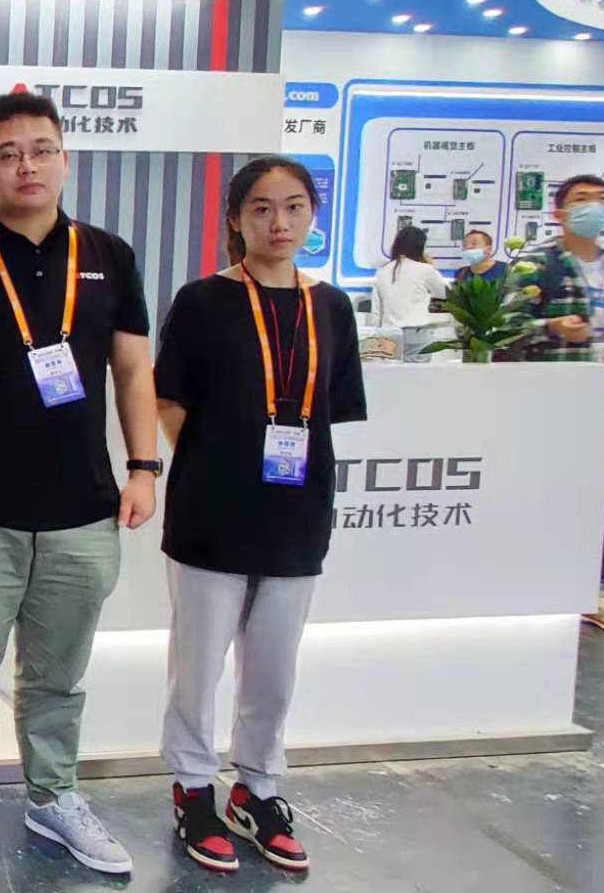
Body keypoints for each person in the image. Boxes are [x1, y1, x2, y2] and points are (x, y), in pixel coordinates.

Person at [0, 91, 158, 878]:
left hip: (83, 510)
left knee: (58, 675)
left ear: (64, 159)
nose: (27, 166)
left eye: (41, 150)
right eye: (7, 154)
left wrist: (143, 467)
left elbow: (133, 370)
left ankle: (54, 797)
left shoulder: (110, 255)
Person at [152, 157, 367, 876]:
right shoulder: (203, 300)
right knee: (198, 664)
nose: (280, 223)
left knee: (274, 666)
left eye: (295, 207)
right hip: (212, 513)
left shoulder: (330, 305)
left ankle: (257, 789)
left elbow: (333, 407)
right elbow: (169, 399)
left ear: (311, 216)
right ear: (236, 220)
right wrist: (214, 463)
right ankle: (192, 788)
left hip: (297, 514)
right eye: (263, 209)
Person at [514, 174, 604, 638]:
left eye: (602, 200)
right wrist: (550, 327)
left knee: (602, 503)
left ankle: (593, 592)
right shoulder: (536, 266)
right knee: (543, 492)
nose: (594, 207)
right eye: (582, 200)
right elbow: (506, 327)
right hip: (552, 406)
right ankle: (532, 581)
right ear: (559, 212)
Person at [369, 225, 447, 362]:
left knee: (390, 373)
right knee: (417, 374)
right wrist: (431, 266)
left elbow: (376, 312)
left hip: (389, 334)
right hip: (417, 333)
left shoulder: (382, 271)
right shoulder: (425, 270)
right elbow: (445, 293)